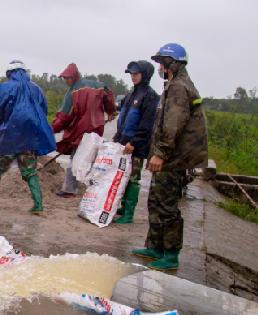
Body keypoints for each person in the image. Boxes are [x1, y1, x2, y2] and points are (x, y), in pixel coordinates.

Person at [132, 43, 208, 271]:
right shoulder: (174, 84)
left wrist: (161, 153)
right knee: (155, 200)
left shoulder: (178, 87)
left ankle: (171, 255)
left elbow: (173, 125)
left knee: (166, 206)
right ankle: (155, 247)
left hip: (173, 159)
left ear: (173, 63)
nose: (160, 68)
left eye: (162, 63)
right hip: (168, 157)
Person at [0, 60, 56, 214]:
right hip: (30, 137)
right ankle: (38, 205)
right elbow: (43, 109)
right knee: (29, 169)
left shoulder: (5, 87)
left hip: (9, 134)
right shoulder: (36, 89)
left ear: (9, 73)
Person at [51, 63, 118, 198]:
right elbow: (108, 93)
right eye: (64, 78)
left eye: (68, 78)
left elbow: (64, 117)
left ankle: (71, 190)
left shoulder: (73, 93)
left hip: (79, 131)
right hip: (96, 129)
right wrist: (110, 110)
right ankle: (93, 190)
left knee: (75, 159)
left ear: (74, 76)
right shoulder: (96, 85)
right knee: (92, 158)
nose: (66, 81)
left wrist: (51, 129)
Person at [112, 60, 160, 223]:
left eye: (136, 74)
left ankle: (129, 214)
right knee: (123, 175)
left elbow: (147, 124)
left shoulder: (150, 96)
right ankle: (123, 206)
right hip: (123, 143)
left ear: (145, 75)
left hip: (136, 146)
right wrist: (117, 138)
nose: (133, 77)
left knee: (133, 178)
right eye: (131, 74)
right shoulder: (132, 93)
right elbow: (123, 118)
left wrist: (134, 142)